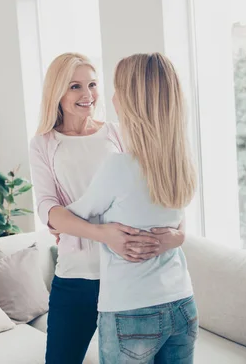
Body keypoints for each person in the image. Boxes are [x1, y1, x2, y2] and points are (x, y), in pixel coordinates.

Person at [29, 52, 186, 364]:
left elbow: (156, 189)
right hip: (76, 277)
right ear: (56, 92)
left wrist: (179, 235)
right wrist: (101, 234)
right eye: (75, 86)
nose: (87, 95)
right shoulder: (43, 143)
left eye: (92, 84)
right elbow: (48, 208)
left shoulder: (117, 132)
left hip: (128, 277)